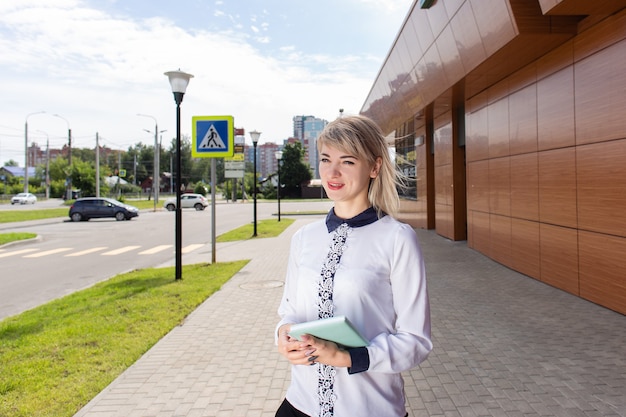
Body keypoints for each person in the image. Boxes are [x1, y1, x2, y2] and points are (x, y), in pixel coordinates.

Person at [275, 115, 432, 417]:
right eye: (325, 159)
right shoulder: (303, 238)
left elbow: (416, 341)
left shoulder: (398, 239)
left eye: (347, 161)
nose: (332, 172)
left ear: (374, 167)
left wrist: (348, 357)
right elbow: (289, 312)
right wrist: (283, 336)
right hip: (299, 405)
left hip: (370, 409)